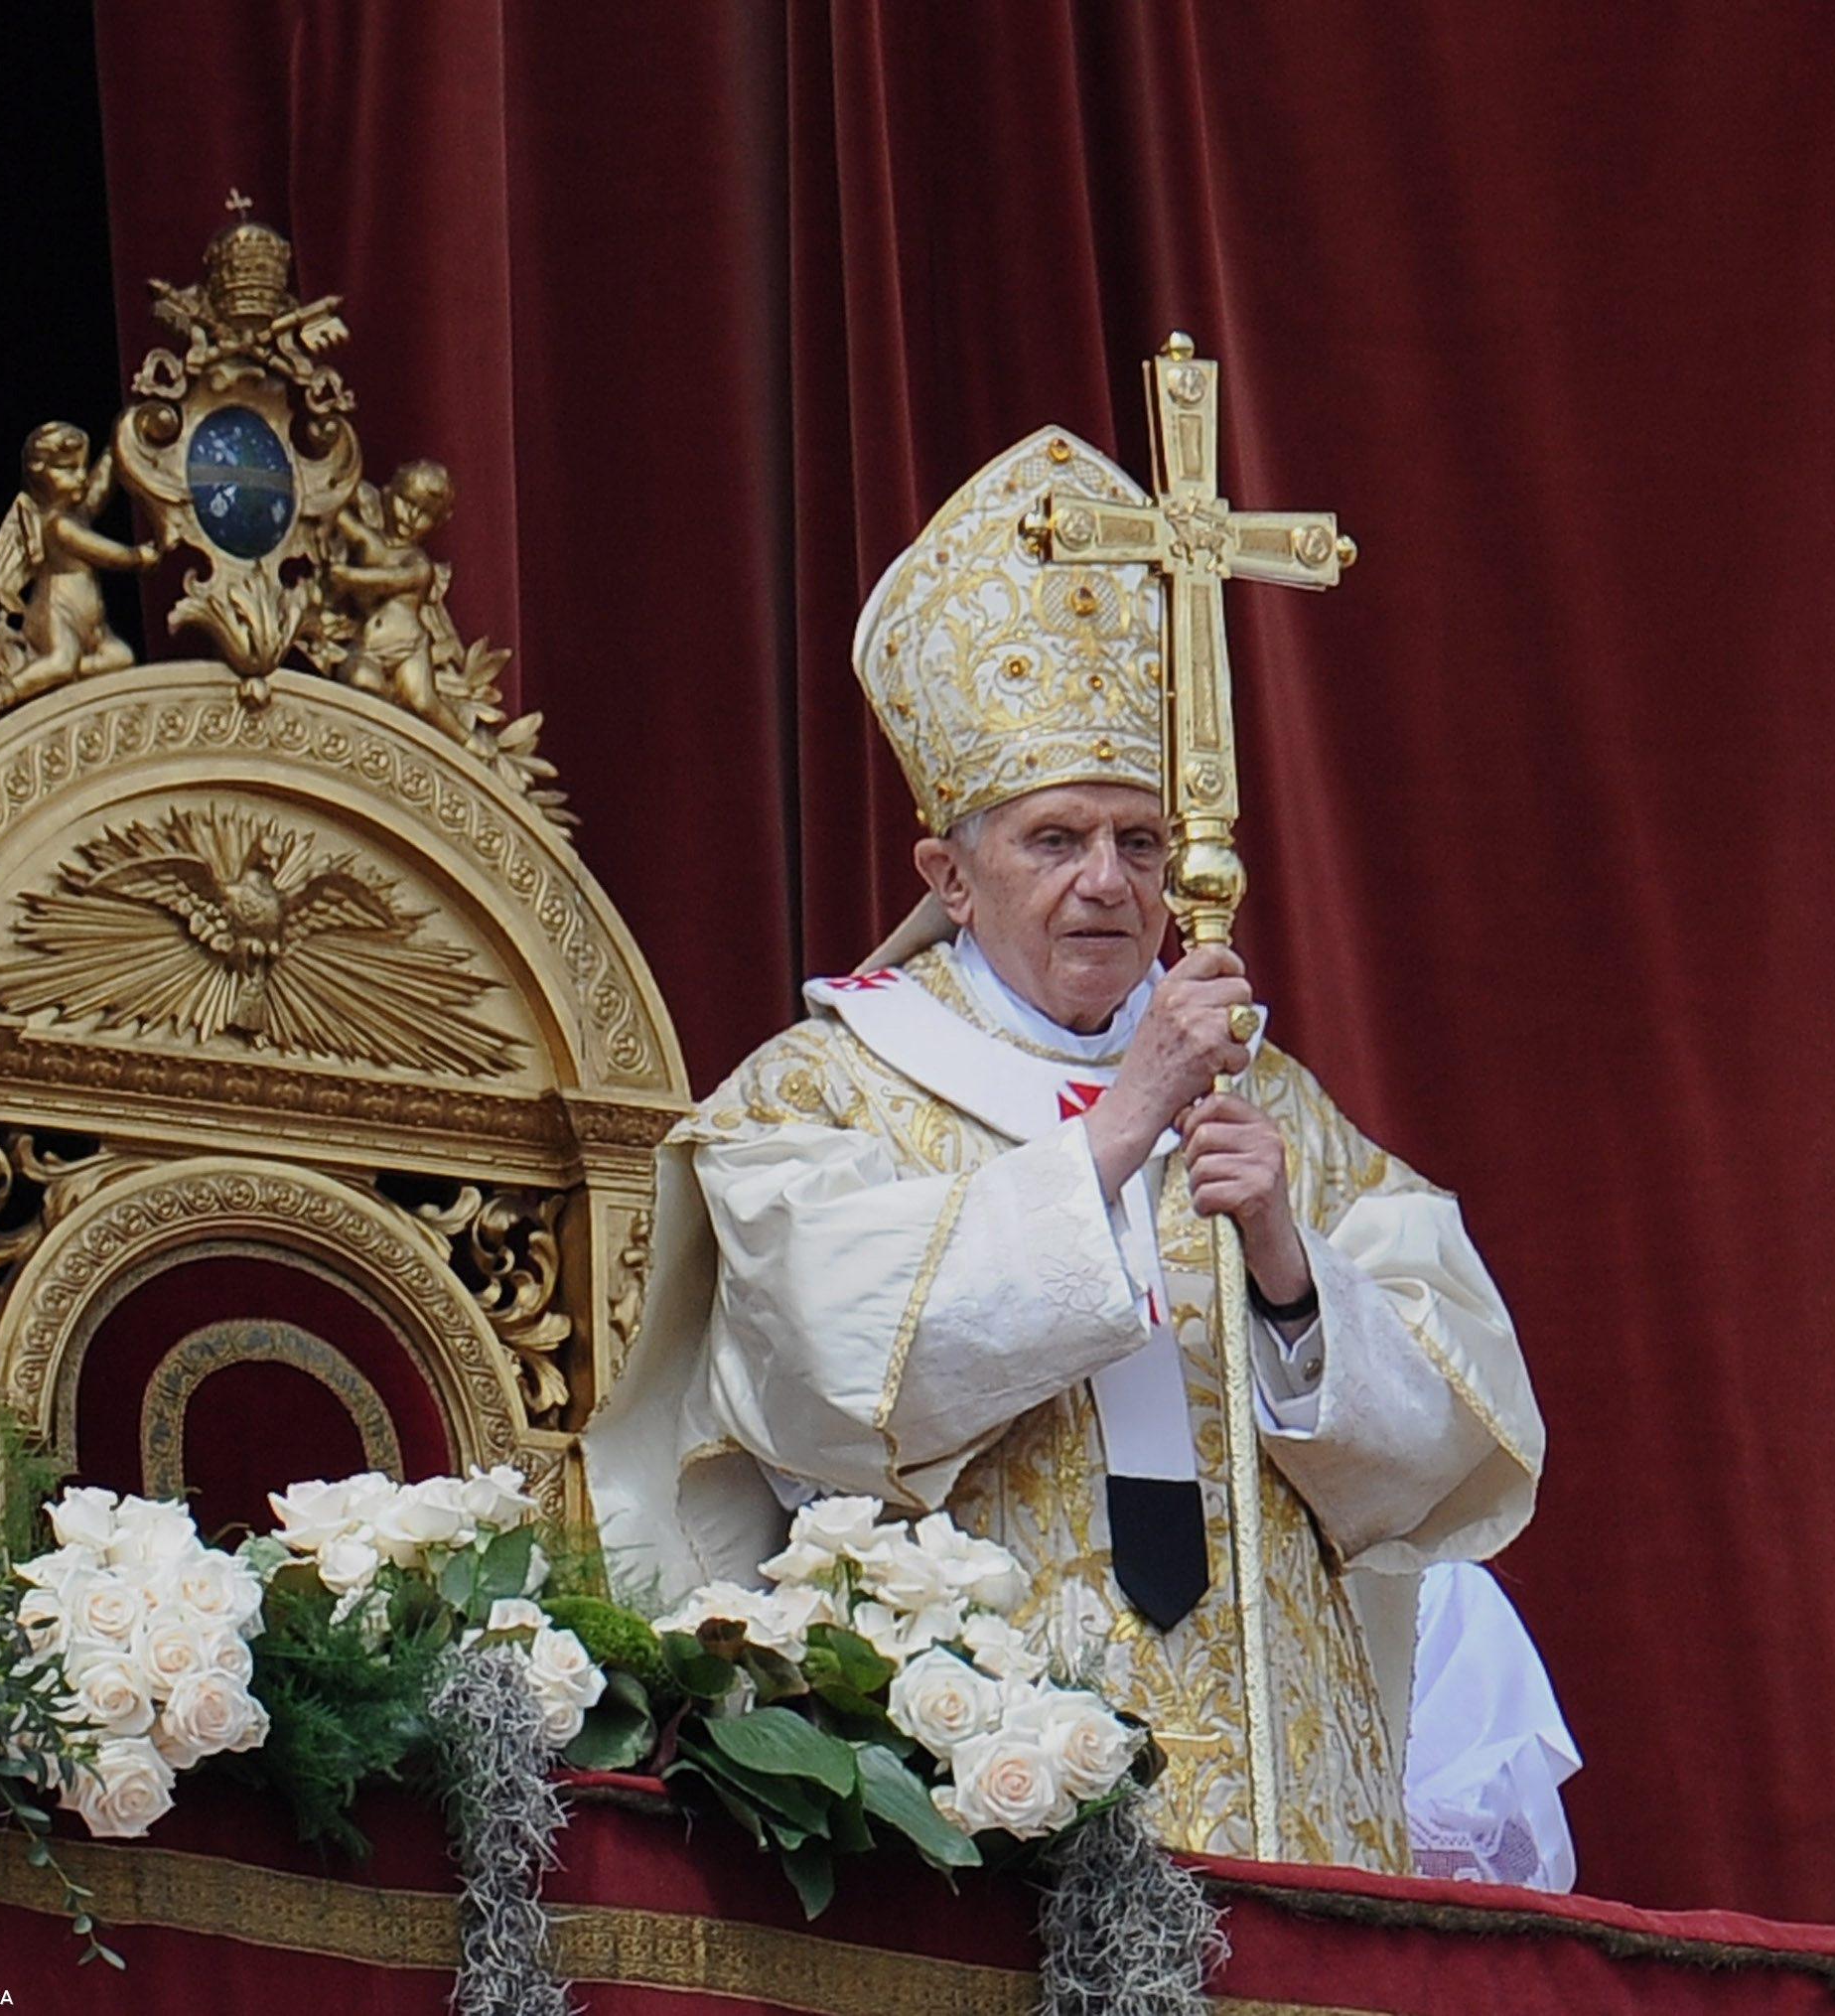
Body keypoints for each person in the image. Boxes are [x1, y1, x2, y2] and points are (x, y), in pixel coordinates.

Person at [586, 426, 1542, 1868]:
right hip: (978, 1774)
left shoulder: (1268, 1103)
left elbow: (1455, 1441)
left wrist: (1289, 1272)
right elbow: (822, 1380)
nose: (1109, 882)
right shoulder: (820, 1094)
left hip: (1285, 1771)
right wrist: (1116, 1135)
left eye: (1141, 843)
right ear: (949, 876)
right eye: (1056, 839)